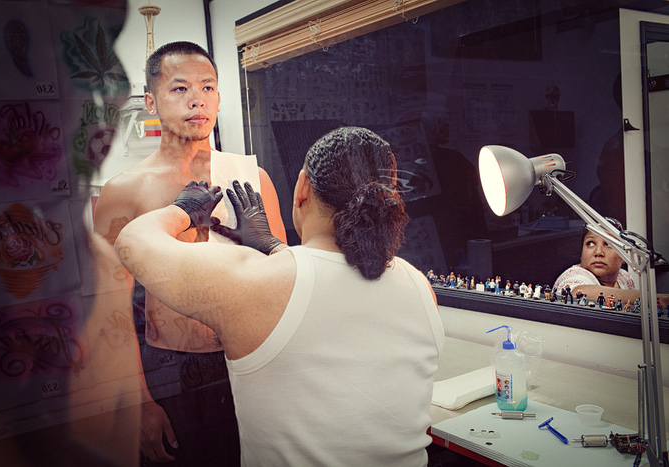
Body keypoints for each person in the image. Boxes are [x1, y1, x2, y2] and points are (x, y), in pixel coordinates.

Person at [115, 126, 445, 466]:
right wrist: (273, 247)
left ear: (302, 188)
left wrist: (183, 210)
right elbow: (330, 300)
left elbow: (132, 241)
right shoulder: (419, 286)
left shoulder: (252, 284)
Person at [94, 41, 286, 465]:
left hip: (249, 359)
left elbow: (287, 284)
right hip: (169, 369)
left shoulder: (251, 177)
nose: (197, 99)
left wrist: (267, 247)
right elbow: (109, 308)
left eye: (207, 87)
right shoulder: (124, 191)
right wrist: (138, 402)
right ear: (151, 101)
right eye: (180, 88)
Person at [553, 222, 669, 309]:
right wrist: (659, 300)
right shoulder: (574, 275)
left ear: (624, 255)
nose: (598, 252)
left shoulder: (624, 277)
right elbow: (579, 292)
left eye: (608, 244)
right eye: (590, 243)